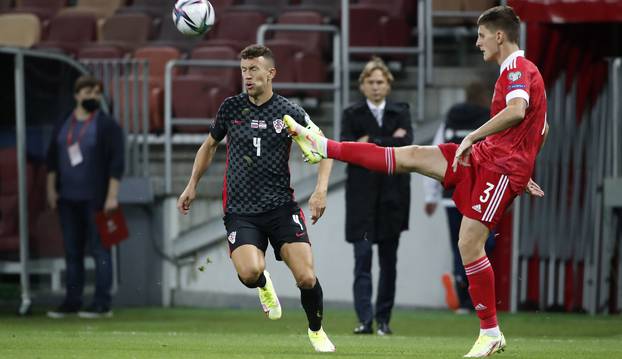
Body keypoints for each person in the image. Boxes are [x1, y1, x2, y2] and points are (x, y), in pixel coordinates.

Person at [284, 6, 549, 357]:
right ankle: (323, 145)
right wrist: (527, 161)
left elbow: (516, 110)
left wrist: (477, 141)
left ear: (499, 36)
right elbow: (542, 127)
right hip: (492, 158)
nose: (477, 42)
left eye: (481, 35)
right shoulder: (517, 69)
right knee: (411, 155)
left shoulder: (517, 67)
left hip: (499, 166)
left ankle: (490, 331)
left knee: (469, 244)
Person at [176, 44, 336, 352]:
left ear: (271, 73)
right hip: (241, 210)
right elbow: (208, 146)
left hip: (280, 207)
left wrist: (320, 190)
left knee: (305, 276)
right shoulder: (231, 108)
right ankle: (263, 286)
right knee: (250, 272)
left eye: (254, 70)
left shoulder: (287, 111)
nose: (247, 77)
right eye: (243, 71)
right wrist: (191, 184)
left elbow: (325, 148)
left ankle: (316, 331)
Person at [342, 57, 412, 336]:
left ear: (388, 85)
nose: (375, 87)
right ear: (362, 86)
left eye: (380, 82)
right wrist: (388, 141)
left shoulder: (401, 111)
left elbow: (407, 145)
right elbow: (348, 150)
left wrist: (371, 142)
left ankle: (383, 320)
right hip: (362, 200)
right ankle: (365, 320)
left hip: (392, 198)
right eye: (370, 82)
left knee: (388, 263)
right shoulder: (351, 114)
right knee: (362, 260)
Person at [46, 75, 125, 319]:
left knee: (101, 250)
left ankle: (102, 302)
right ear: (76, 95)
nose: (92, 96)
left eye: (96, 92)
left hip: (97, 199)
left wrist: (112, 196)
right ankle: (72, 301)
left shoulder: (107, 125)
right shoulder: (63, 123)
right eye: (88, 92)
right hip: (67, 199)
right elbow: (51, 160)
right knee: (72, 252)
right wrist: (51, 190)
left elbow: (116, 163)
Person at [423, 82, 495, 314]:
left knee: (459, 246)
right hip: (481, 194)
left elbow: (437, 152)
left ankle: (462, 292)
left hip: (451, 195)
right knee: (482, 244)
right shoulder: (491, 119)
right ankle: (476, 298)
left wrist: (431, 195)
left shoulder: (451, 118)